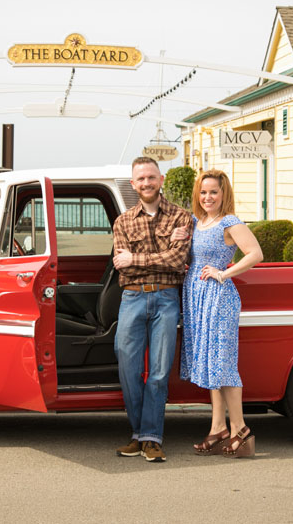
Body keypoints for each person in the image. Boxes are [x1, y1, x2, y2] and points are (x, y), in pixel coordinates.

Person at [171, 169, 263, 458]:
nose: (207, 197)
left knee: (222, 362)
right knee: (210, 363)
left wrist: (224, 273)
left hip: (219, 297)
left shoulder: (230, 221)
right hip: (197, 298)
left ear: (224, 194)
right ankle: (217, 427)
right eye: (203, 192)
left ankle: (240, 429)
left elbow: (255, 254)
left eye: (213, 192)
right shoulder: (198, 222)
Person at [112, 156, 192, 463]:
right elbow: (123, 268)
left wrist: (137, 259)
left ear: (161, 180)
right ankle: (138, 434)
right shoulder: (123, 221)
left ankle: (151, 438)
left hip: (166, 298)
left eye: (151, 177)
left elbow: (177, 261)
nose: (146, 183)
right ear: (133, 184)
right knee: (128, 369)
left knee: (158, 372)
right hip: (131, 298)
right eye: (140, 179)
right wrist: (160, 255)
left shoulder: (181, 217)